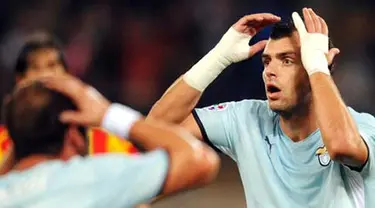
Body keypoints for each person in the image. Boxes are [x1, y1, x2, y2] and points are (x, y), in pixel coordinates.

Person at [147, 8, 375, 207]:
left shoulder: (362, 128)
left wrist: (317, 67)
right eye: (267, 61)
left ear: (321, 65)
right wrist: (217, 59)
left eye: (287, 60)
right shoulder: (247, 119)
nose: (270, 71)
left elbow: (340, 147)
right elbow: (156, 127)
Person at [0, 74, 220, 207]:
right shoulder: (91, 178)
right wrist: (107, 113)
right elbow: (198, 160)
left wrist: (20, 128)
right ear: (74, 136)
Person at [0, 32, 138, 169]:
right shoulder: (2, 143)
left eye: (52, 65)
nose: (45, 76)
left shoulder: (105, 141)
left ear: (68, 76)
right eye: (35, 68)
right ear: (19, 81)